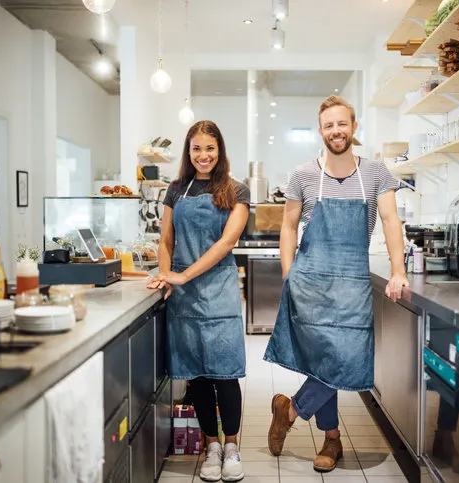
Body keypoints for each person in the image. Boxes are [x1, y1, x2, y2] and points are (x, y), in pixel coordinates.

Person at [263, 95, 409, 473]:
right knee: (326, 362)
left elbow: (392, 222)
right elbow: (289, 228)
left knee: (349, 360)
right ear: (321, 131)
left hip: (353, 284)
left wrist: (398, 269)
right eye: (329, 125)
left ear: (354, 127)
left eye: (342, 124)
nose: (336, 131)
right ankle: (331, 441)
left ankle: (290, 409)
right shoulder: (303, 175)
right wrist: (288, 274)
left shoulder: (376, 173)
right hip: (311, 281)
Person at [148, 120, 249, 482]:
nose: (203, 155)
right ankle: (212, 447)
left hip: (219, 292)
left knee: (225, 374)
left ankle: (233, 446)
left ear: (219, 150)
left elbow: (226, 244)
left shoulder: (237, 190)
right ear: (188, 152)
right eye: (196, 148)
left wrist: (183, 275)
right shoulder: (176, 190)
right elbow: (165, 240)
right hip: (185, 297)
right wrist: (165, 274)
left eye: (210, 148)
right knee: (199, 377)